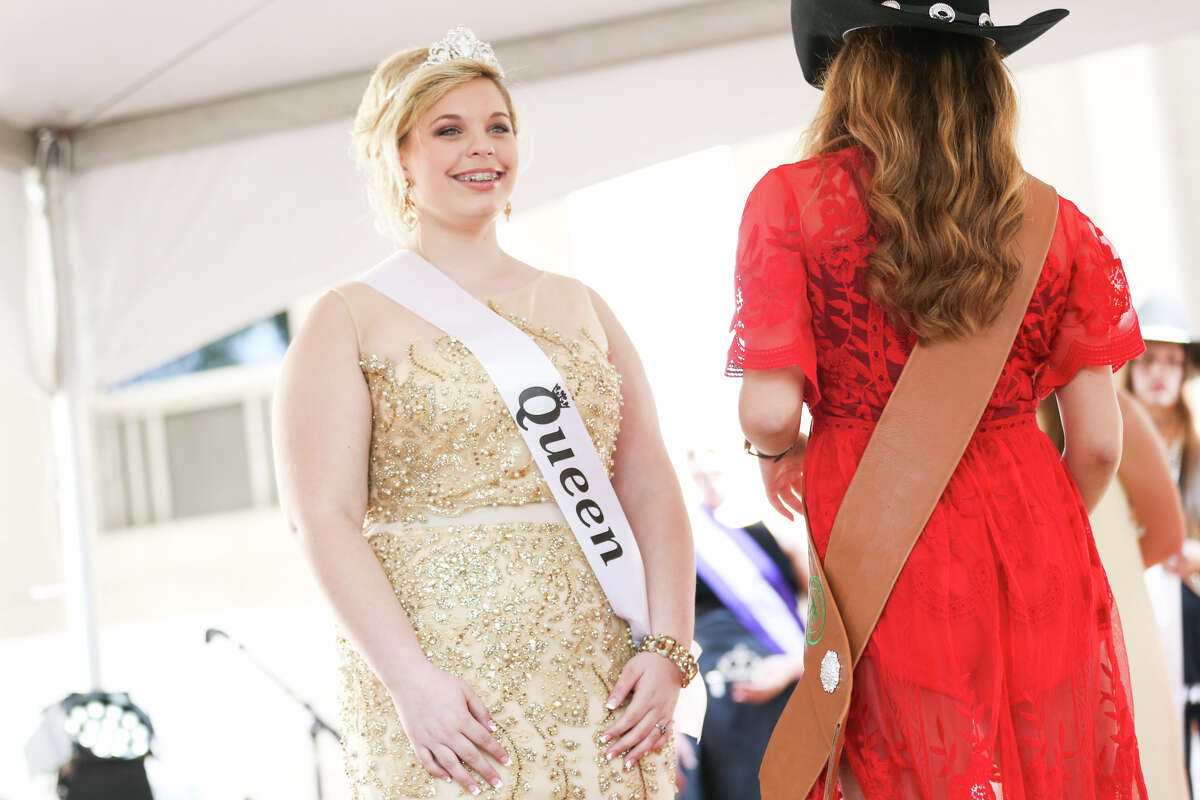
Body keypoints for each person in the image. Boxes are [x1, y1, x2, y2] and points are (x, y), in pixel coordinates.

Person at [729, 1, 1147, 797]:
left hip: (874, 519)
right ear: (985, 78)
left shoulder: (791, 202)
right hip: (1033, 530)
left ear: (853, 73)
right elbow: (1098, 444)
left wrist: (778, 456)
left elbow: (771, 410)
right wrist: (1033, 532)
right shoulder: (1060, 225)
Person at [272, 28, 694, 799]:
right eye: (449, 129)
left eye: (498, 126)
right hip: (442, 683)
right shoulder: (346, 317)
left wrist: (670, 647)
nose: (483, 147)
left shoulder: (579, 304)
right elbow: (322, 517)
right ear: (399, 156)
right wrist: (409, 681)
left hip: (599, 670)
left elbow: (648, 480)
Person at [1040, 388, 1190, 798]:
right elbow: (1166, 535)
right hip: (1109, 627)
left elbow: (1167, 535)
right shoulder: (1113, 410)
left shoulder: (1114, 411)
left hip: (1087, 631)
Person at [676, 449, 808, 800]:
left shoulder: (782, 528)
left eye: (710, 450)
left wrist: (795, 665)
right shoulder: (685, 539)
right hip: (719, 711)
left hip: (789, 695)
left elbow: (837, 615)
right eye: (692, 457)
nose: (704, 465)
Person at [1125, 295, 1200, 793]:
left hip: (1186, 603)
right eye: (1148, 358)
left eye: (1173, 362)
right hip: (1132, 602)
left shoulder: (1194, 447)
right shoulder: (1107, 439)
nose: (1160, 373)